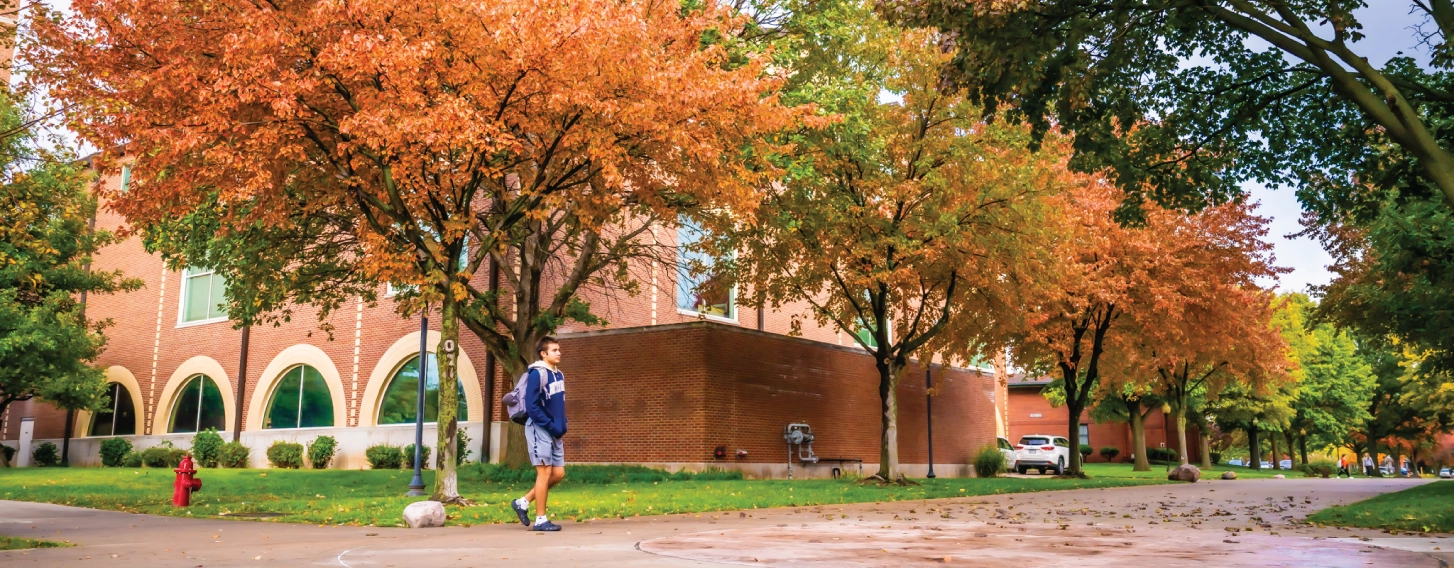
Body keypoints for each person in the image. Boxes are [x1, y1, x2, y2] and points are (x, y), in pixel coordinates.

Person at [509, 336, 567, 532]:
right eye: (554, 350)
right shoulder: (537, 373)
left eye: (559, 349)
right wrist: (551, 425)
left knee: (558, 473)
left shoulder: (559, 375)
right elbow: (532, 407)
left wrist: (562, 425)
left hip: (555, 431)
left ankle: (523, 502)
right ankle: (541, 519)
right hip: (539, 429)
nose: (559, 353)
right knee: (544, 472)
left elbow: (558, 403)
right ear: (543, 353)